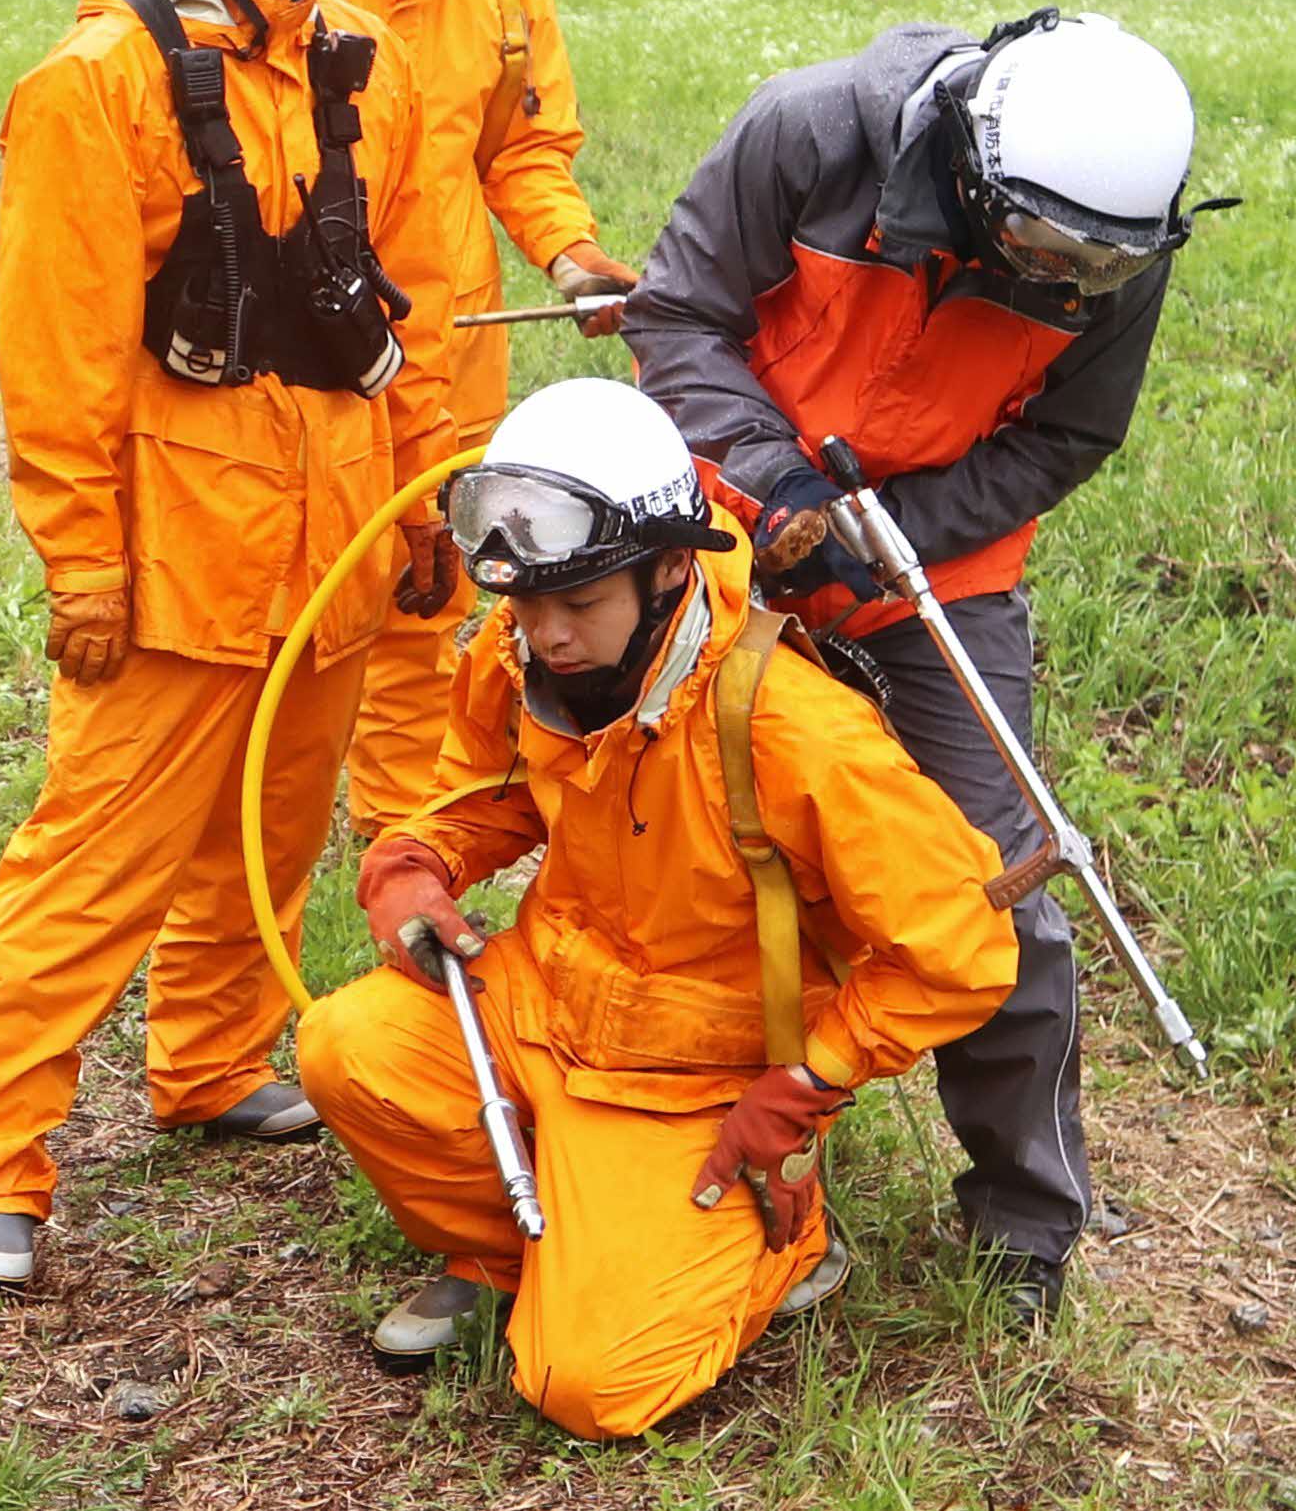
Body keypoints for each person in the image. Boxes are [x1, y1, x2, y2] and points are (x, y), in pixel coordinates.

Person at [0, 0, 458, 1294]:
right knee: (86, 872)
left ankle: (215, 1058)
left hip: (337, 547)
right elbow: (61, 355)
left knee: (275, 836)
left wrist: (422, 502)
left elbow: (407, 308)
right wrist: (82, 566)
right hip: (176, 569)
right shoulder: (99, 85)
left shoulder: (367, 63)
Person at [624, 8, 1218, 1325]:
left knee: (998, 876)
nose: (1061, 273)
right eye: (1041, 244)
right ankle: (683, 1146)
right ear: (972, 163)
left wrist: (893, 543)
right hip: (733, 514)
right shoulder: (811, 131)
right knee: (678, 842)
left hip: (939, 567)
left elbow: (1067, 437)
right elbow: (677, 316)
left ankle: (1026, 1218)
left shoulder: (1120, 246)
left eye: (1093, 263)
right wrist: (777, 488)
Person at [296, 377, 1017, 1438]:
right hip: (546, 1008)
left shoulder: (788, 726)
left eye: (578, 606)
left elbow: (961, 947)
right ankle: (514, 1258)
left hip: (700, 1081)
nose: (547, 638)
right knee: (344, 1045)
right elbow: (484, 794)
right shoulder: (522, 652)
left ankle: (788, 1241)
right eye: (528, 606)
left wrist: (809, 1080)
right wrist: (412, 858)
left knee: (587, 1388)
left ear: (674, 565)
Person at [314, 0, 635, 837]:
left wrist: (572, 254)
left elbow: (524, 153)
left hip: (452, 353)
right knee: (297, 596)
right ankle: (260, 814)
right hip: (305, 356)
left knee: (429, 592)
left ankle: (397, 843)